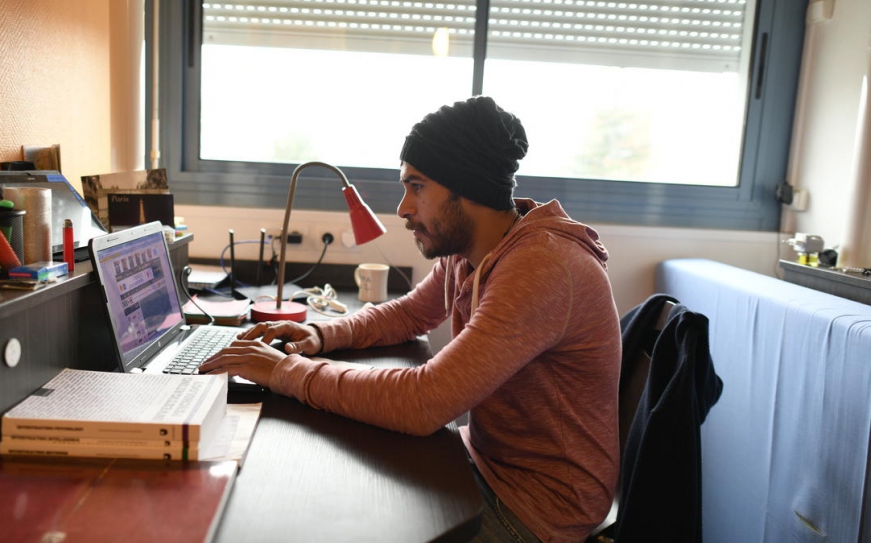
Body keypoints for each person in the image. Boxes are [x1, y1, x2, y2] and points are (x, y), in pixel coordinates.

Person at [200, 96, 622, 543]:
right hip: (487, 465)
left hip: (539, 509)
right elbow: (411, 313)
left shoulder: (542, 267)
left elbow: (424, 402)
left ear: (467, 187)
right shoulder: (474, 251)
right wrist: (319, 335)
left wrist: (286, 371)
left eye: (416, 186)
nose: (403, 208)